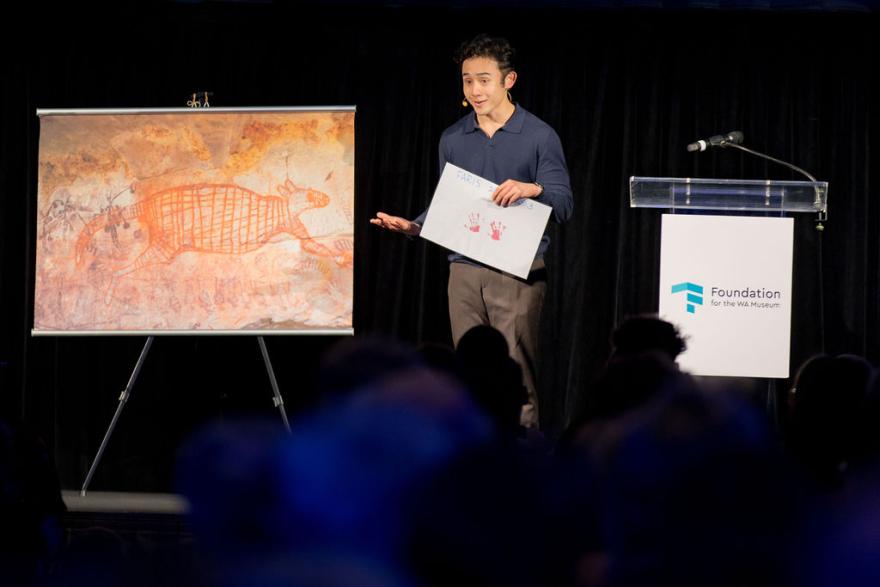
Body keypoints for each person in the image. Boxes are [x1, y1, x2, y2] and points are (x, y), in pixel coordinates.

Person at [371, 34, 573, 428]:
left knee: (516, 372)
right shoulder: (453, 138)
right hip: (463, 271)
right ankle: (474, 455)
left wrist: (534, 188)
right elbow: (448, 205)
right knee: (469, 373)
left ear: (508, 81)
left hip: (516, 272)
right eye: (467, 80)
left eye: (484, 80)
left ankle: (523, 460)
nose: (475, 90)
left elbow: (564, 205)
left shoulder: (538, 136)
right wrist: (415, 226)